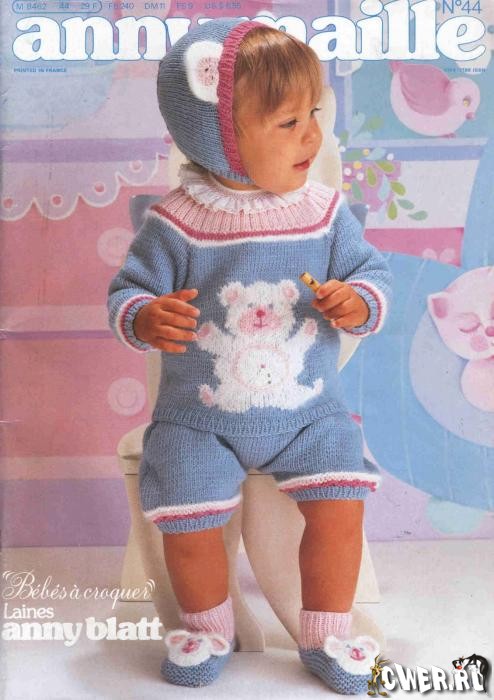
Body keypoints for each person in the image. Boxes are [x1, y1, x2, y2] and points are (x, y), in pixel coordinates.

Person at [107, 17, 392, 694]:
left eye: (314, 115)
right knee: (188, 514)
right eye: (288, 123)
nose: (312, 137)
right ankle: (207, 629)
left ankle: (325, 634)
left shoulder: (324, 212)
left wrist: (357, 301)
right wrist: (144, 315)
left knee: (340, 503)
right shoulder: (176, 223)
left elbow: (372, 275)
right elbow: (127, 291)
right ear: (220, 139)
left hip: (308, 412)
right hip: (200, 418)